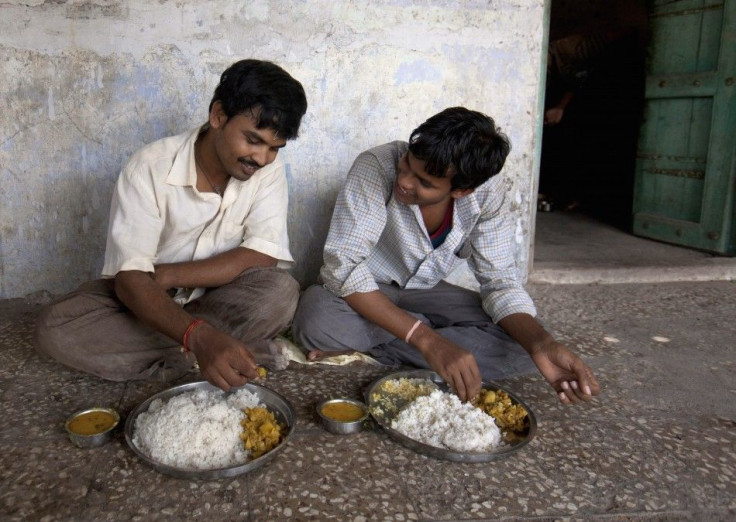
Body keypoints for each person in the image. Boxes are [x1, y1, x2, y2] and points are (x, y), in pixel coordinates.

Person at [293, 107, 599, 403]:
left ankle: (382, 350)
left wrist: (542, 344)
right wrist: (426, 338)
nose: (405, 181)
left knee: (523, 345)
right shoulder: (376, 165)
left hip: (427, 293)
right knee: (316, 319)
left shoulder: (488, 194)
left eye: (424, 183)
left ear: (462, 191)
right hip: (368, 290)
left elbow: (500, 281)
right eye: (407, 164)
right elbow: (343, 266)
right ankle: (430, 342)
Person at [36, 59, 308, 391]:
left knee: (281, 293)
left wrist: (168, 275)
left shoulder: (266, 172)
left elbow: (261, 255)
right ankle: (218, 348)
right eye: (252, 140)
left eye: (274, 149)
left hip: (216, 294)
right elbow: (131, 279)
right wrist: (196, 333)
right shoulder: (148, 169)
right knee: (58, 327)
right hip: (145, 301)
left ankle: (187, 354)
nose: (262, 158)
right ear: (218, 116)